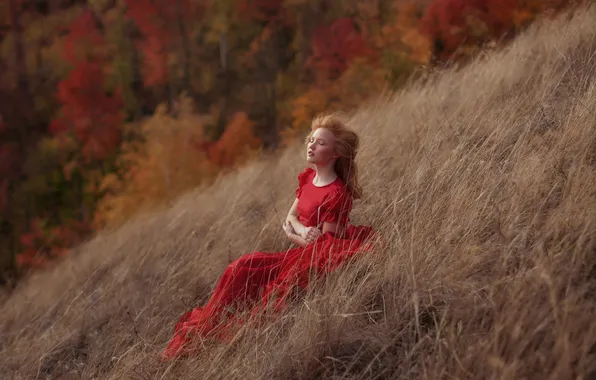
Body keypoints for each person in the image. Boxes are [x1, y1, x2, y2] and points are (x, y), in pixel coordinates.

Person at [161, 113, 376, 359]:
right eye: (311, 140)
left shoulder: (337, 193)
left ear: (335, 153)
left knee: (251, 279)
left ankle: (219, 338)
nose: (312, 145)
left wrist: (296, 234)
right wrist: (302, 231)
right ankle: (206, 326)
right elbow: (288, 220)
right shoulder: (309, 179)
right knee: (238, 267)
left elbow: (326, 247)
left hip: (310, 260)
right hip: (300, 250)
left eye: (321, 143)